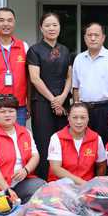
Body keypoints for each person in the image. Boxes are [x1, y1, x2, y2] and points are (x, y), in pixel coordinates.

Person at [27, 12, 73, 180]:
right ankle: (43, 180)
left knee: (63, 142)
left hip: (63, 101)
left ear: (59, 27)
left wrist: (62, 97)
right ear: (41, 28)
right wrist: (53, 100)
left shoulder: (65, 50)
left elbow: (69, 77)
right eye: (47, 25)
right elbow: (35, 78)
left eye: (55, 25)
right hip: (42, 102)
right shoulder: (34, 50)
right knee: (44, 142)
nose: (51, 28)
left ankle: (63, 180)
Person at [72, 22, 108, 142]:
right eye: (89, 35)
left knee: (105, 145)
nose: (93, 38)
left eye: (96, 35)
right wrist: (76, 109)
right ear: (84, 38)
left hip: (105, 109)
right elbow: (75, 87)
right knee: (85, 144)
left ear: (103, 37)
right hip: (84, 110)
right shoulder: (79, 59)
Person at [47, 102, 108, 185]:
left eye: (83, 118)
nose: (79, 121)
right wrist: (84, 184)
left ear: (88, 118)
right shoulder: (57, 137)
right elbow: (56, 168)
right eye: (75, 117)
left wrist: (96, 185)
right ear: (68, 118)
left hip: (86, 186)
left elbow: (101, 165)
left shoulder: (96, 138)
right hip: (61, 185)